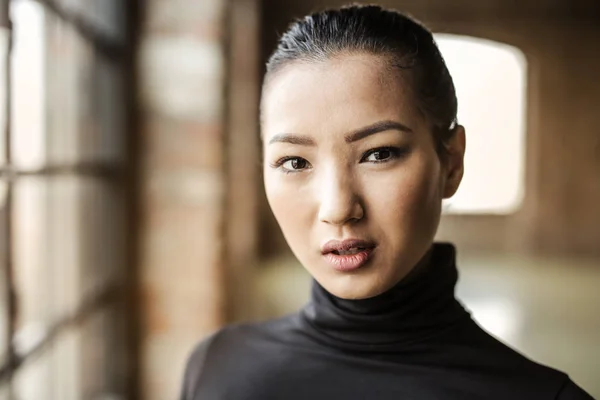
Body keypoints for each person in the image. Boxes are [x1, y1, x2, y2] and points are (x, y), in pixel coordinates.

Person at [180, 5, 594, 399]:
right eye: (294, 161)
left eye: (379, 154)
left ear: (451, 163)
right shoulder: (215, 368)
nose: (338, 208)